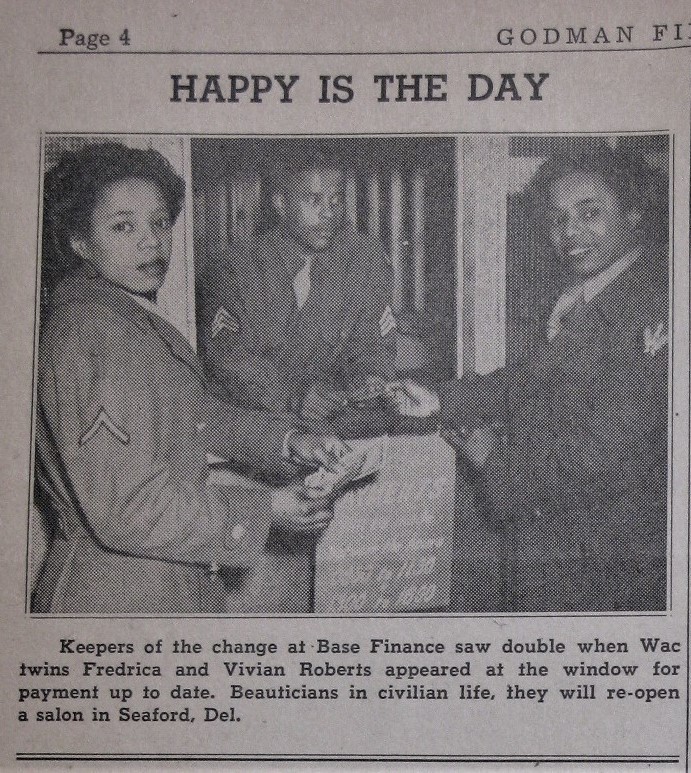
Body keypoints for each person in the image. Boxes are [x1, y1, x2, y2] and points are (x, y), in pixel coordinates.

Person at [33, 141, 349, 614]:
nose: (150, 241)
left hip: (162, 578)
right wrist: (266, 511)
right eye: (123, 226)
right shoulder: (87, 332)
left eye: (159, 222)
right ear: (79, 243)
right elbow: (128, 507)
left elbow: (197, 417)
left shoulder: (125, 319)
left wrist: (287, 440)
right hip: (116, 594)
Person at [385, 148, 668, 612]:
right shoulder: (582, 296)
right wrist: (438, 401)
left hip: (606, 555)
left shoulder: (651, 306)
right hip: (555, 539)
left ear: (634, 214)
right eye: (558, 219)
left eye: (589, 213)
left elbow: (606, 450)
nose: (570, 233)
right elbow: (527, 381)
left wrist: (491, 456)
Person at [197, 143, 397, 435]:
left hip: (332, 425)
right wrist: (293, 395)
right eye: (313, 200)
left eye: (336, 200)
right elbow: (230, 359)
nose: (328, 213)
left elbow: (373, 347)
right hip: (256, 429)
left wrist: (367, 382)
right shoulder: (235, 268)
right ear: (280, 202)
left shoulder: (363, 260)